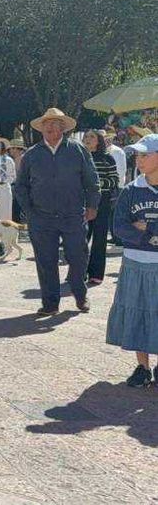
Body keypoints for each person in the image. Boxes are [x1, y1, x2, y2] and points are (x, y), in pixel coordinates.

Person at [15, 108, 100, 317]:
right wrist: (29, 212)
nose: (51, 127)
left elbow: (91, 180)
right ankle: (51, 303)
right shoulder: (31, 154)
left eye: (56, 123)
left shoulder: (78, 150)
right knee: (46, 262)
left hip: (73, 215)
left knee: (79, 258)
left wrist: (92, 206)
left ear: (63, 127)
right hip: (41, 218)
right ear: (41, 128)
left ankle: (80, 294)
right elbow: (21, 186)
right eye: (47, 124)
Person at [106, 134, 158, 387]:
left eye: (145, 155)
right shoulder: (131, 190)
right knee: (138, 311)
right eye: (138, 155)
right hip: (135, 261)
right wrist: (148, 233)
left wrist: (141, 227)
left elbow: (133, 228)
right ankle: (142, 366)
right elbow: (118, 228)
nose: (139, 159)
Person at [81, 130, 119, 286]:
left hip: (102, 201)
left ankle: (96, 274)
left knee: (100, 237)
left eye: (92, 137)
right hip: (82, 202)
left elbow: (114, 180)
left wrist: (97, 185)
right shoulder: (79, 157)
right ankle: (79, 271)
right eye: (86, 137)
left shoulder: (107, 158)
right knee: (80, 238)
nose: (88, 139)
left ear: (99, 141)